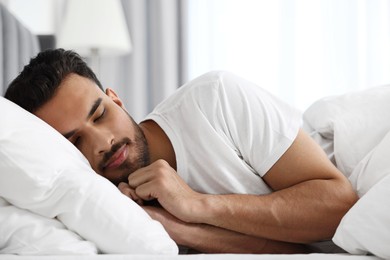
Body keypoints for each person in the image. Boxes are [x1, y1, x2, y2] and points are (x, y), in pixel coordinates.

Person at [4, 49, 357, 254]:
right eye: (74, 142)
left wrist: (196, 204)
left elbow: (339, 207)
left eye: (100, 114)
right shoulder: (108, 212)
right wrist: (182, 229)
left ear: (116, 98)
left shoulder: (216, 100)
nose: (102, 142)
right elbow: (300, 254)